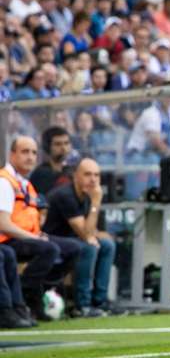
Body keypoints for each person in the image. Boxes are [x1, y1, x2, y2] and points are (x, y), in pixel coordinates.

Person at [0, 137, 82, 319]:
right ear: (12, 154)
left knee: (74, 248)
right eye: (25, 152)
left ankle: (41, 289)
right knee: (49, 249)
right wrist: (34, 238)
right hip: (8, 239)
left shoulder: (25, 183)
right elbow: (4, 224)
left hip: (25, 236)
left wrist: (39, 228)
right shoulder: (5, 182)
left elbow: (26, 217)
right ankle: (27, 293)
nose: (30, 157)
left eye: (34, 153)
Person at [43, 158, 117, 317]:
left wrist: (98, 234)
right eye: (88, 174)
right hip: (51, 240)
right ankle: (82, 305)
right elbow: (86, 234)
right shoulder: (66, 195)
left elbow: (90, 230)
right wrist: (96, 202)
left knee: (107, 245)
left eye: (96, 175)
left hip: (72, 239)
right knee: (88, 247)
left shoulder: (87, 194)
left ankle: (100, 302)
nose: (93, 179)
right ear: (76, 176)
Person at [30, 126, 74, 195]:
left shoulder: (71, 171)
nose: (63, 148)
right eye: (58, 144)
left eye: (66, 143)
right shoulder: (41, 174)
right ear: (48, 147)